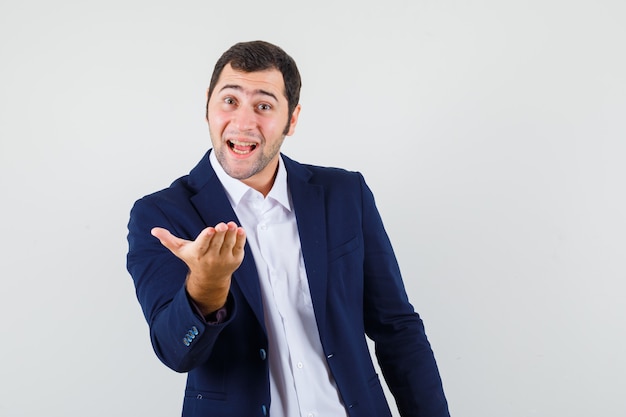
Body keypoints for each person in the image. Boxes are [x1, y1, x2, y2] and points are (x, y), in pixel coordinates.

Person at [127, 40, 450, 417]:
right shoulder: (160, 215)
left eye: (263, 106)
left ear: (292, 119)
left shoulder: (345, 194)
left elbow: (397, 328)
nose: (243, 122)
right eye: (229, 101)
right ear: (208, 106)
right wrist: (207, 287)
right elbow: (175, 350)